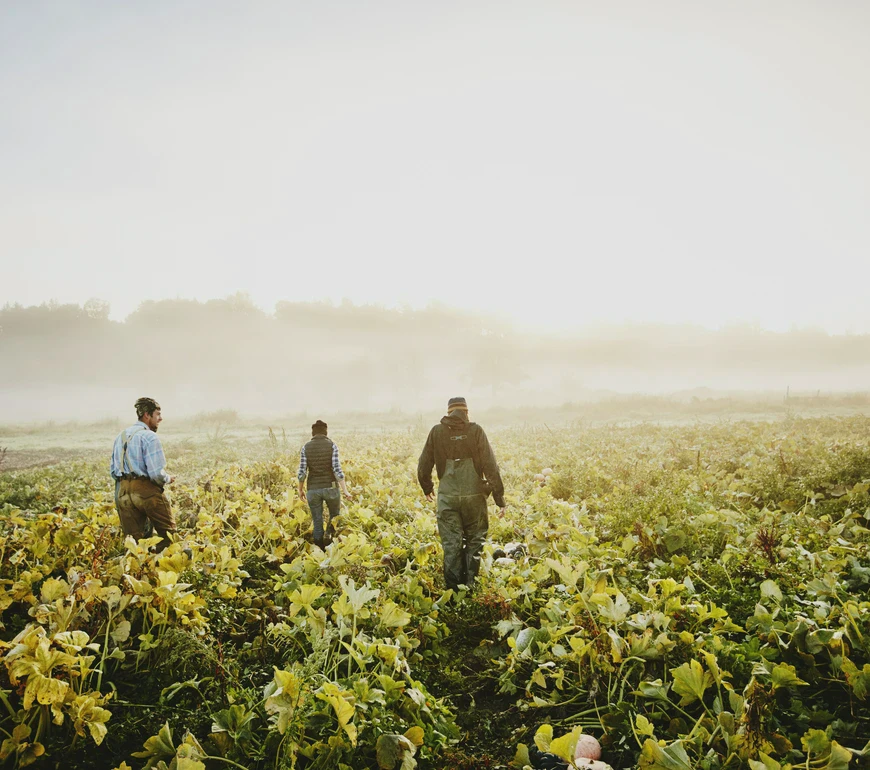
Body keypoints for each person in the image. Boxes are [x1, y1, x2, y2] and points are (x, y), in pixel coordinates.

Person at [417, 397, 506, 590]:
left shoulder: (436, 432)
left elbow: (423, 464)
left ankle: (453, 593)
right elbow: (491, 466)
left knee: (451, 545)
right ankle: (470, 587)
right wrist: (499, 498)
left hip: (447, 497)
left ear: (449, 413)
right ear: (466, 412)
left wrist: (427, 487)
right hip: (474, 498)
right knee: (474, 542)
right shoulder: (475, 431)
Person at [110, 397, 177, 551]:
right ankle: (162, 568)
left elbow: (113, 471)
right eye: (157, 414)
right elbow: (155, 474)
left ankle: (138, 572)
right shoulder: (149, 437)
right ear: (147, 415)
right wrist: (167, 478)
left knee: (135, 545)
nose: (160, 419)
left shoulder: (120, 436)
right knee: (169, 537)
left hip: (123, 492)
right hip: (145, 490)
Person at [297, 420, 350, 548]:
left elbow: (302, 472)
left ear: (313, 433)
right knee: (334, 517)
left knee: (317, 520)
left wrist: (300, 489)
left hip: (313, 489)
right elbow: (337, 470)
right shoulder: (332, 445)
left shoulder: (306, 447)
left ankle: (319, 550)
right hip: (331, 487)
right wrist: (345, 490)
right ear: (326, 432)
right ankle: (329, 535)